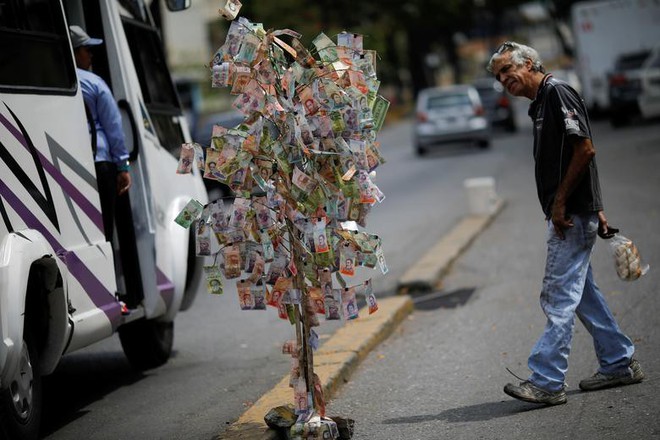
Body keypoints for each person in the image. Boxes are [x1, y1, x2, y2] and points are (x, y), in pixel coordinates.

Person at [487, 41, 643, 406]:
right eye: (499, 76)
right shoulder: (541, 102)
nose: (504, 79)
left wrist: (564, 203)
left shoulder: (557, 92)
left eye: (508, 70)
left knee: (558, 297)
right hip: (575, 212)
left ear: (529, 63)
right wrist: (596, 206)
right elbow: (580, 152)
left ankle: (547, 379)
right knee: (583, 297)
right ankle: (619, 362)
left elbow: (585, 148)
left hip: (569, 216)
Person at [70, 25, 131, 242]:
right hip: (101, 163)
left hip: (70, 164)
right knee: (104, 232)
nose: (92, 55)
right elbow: (113, 127)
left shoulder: (49, 80)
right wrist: (122, 166)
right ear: (75, 52)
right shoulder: (94, 83)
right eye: (87, 49)